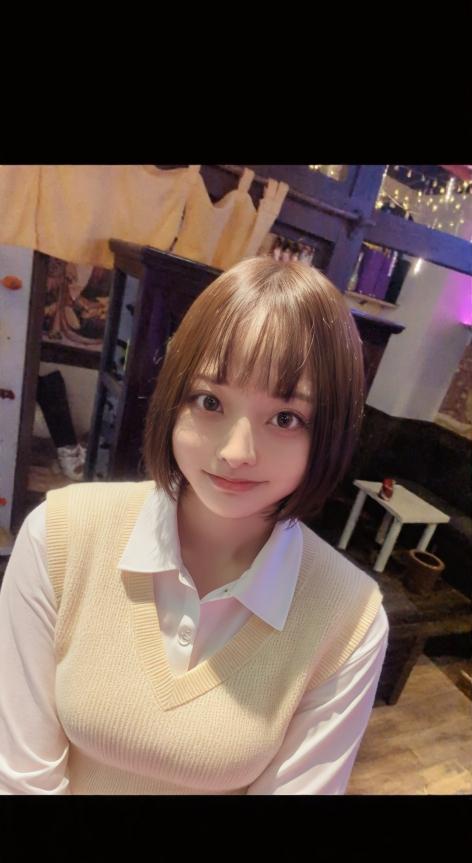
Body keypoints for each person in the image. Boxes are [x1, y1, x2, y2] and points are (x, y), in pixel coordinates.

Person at [0, 257, 389, 795]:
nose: (236, 452)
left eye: (285, 418)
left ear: (330, 432)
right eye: (210, 401)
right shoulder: (60, 536)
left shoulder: (350, 619)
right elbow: (20, 778)